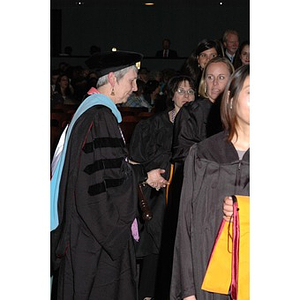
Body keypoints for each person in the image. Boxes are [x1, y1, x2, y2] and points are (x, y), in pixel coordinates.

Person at [50, 50, 169, 300]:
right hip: (95, 240)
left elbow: (108, 170)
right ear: (113, 79)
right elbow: (100, 185)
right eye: (131, 80)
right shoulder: (100, 118)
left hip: (85, 232)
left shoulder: (89, 112)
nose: (136, 88)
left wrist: (140, 174)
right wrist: (118, 232)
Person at [170, 64, 250, 300]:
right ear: (232, 99)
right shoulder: (203, 154)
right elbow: (184, 226)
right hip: (206, 276)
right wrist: (187, 290)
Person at [129, 75, 196, 300]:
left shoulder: (201, 127)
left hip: (186, 199)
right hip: (155, 199)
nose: (186, 96)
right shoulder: (152, 126)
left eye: (190, 91)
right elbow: (135, 164)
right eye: (181, 91)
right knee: (156, 244)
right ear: (172, 95)